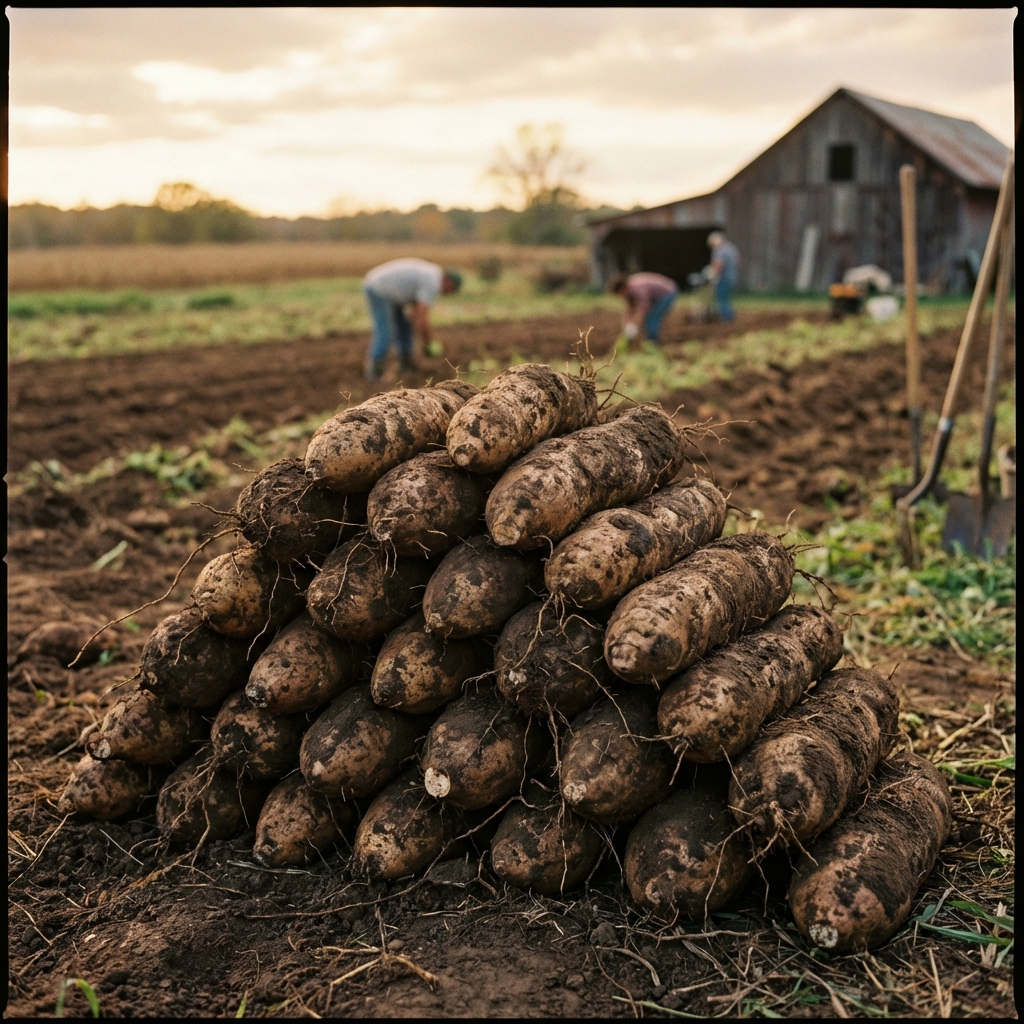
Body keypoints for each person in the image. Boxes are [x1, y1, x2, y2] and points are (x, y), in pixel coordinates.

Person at [362, 258, 462, 380]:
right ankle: (374, 372)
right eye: (451, 290)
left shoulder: (432, 274)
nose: (448, 294)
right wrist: (428, 342)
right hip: (378, 288)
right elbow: (421, 318)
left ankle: (406, 366)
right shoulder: (432, 282)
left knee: (404, 325)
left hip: (392, 292)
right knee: (386, 330)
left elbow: (415, 314)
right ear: (448, 281)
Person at [608, 271, 680, 345]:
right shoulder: (629, 290)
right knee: (648, 319)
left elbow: (643, 309)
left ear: (622, 289)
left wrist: (635, 327)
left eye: (619, 294)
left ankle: (652, 344)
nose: (620, 297)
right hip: (656, 295)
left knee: (652, 318)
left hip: (667, 292)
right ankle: (649, 340)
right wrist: (627, 326)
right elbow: (629, 309)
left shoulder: (637, 288)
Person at [706, 231, 739, 322]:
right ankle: (730, 316)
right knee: (726, 298)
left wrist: (712, 274)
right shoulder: (731, 248)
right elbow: (737, 261)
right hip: (732, 277)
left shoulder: (720, 250)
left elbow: (719, 264)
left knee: (722, 299)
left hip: (723, 278)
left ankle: (727, 319)